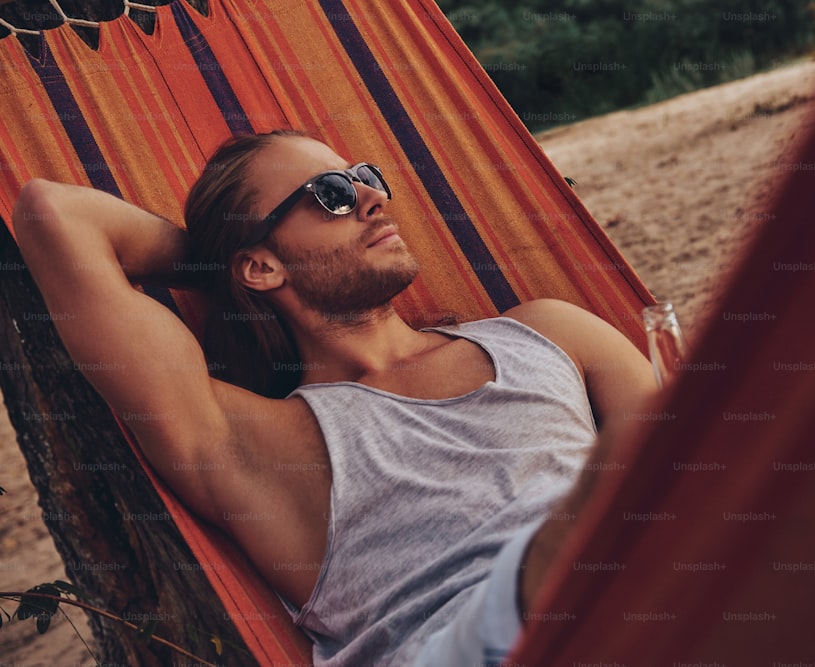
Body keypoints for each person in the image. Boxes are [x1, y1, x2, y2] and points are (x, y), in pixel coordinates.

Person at [12, 130, 659, 666]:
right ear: (261, 265)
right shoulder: (257, 444)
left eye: (366, 176)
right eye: (332, 194)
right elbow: (52, 215)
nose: (374, 197)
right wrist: (218, 262)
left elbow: (687, 461)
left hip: (649, 591)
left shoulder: (549, 331)